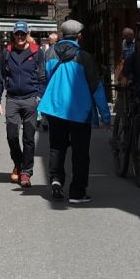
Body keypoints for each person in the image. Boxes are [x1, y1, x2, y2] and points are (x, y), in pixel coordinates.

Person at [38, 18, 109, 204]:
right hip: (79, 110)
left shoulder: (50, 53)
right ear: (79, 36)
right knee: (80, 152)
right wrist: (105, 115)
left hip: (55, 109)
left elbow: (43, 78)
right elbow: (96, 86)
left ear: (62, 35)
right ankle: (77, 191)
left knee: (56, 147)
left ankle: (55, 180)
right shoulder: (85, 57)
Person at [0, 21, 46, 188]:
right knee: (11, 136)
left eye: (22, 34)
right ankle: (18, 162)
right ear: (13, 34)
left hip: (31, 99)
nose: (20, 37)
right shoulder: (7, 52)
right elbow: (1, 77)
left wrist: (39, 96)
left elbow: (42, 77)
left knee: (29, 138)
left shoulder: (36, 52)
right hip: (13, 99)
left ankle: (26, 172)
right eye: (17, 34)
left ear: (27, 34)